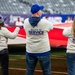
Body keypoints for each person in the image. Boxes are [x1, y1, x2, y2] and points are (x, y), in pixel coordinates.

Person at [23, 4, 53, 75]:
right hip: (43, 51)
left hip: (30, 50)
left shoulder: (26, 21)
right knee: (47, 72)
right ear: (37, 12)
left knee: (29, 72)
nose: (41, 11)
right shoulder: (45, 22)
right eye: (40, 10)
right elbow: (51, 27)